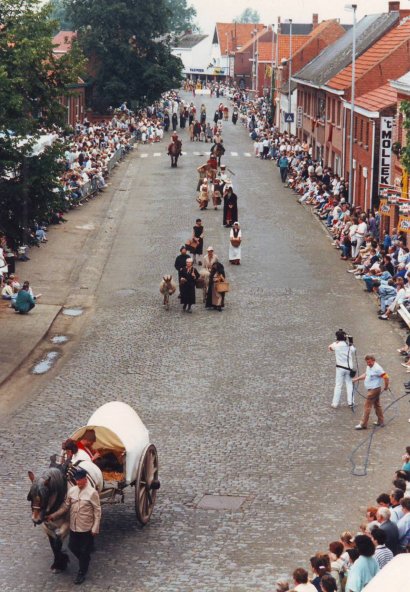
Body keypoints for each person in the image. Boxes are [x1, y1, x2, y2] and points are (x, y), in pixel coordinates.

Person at [46, 468, 101, 585]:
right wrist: (53, 516)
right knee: (72, 547)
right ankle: (85, 559)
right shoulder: (72, 491)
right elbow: (65, 507)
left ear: (85, 479)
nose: (77, 482)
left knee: (84, 550)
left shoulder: (92, 493)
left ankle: (82, 572)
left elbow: (97, 510)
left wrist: (95, 527)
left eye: (80, 480)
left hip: (86, 527)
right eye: (76, 480)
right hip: (74, 527)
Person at [352, 354, 389, 430]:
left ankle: (363, 424)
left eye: (369, 362)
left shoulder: (377, 368)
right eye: (367, 362)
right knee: (377, 405)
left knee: (367, 406)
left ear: (373, 360)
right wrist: (357, 379)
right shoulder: (368, 367)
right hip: (371, 389)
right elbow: (366, 374)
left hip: (374, 390)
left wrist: (386, 386)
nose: (368, 364)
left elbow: (386, 377)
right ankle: (381, 421)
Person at [328, 330, 356, 408]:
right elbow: (354, 350)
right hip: (349, 368)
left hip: (340, 368)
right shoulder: (349, 345)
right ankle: (351, 403)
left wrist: (336, 342)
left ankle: (335, 403)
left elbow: (329, 348)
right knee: (349, 384)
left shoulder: (336, 345)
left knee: (338, 385)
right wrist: (351, 342)